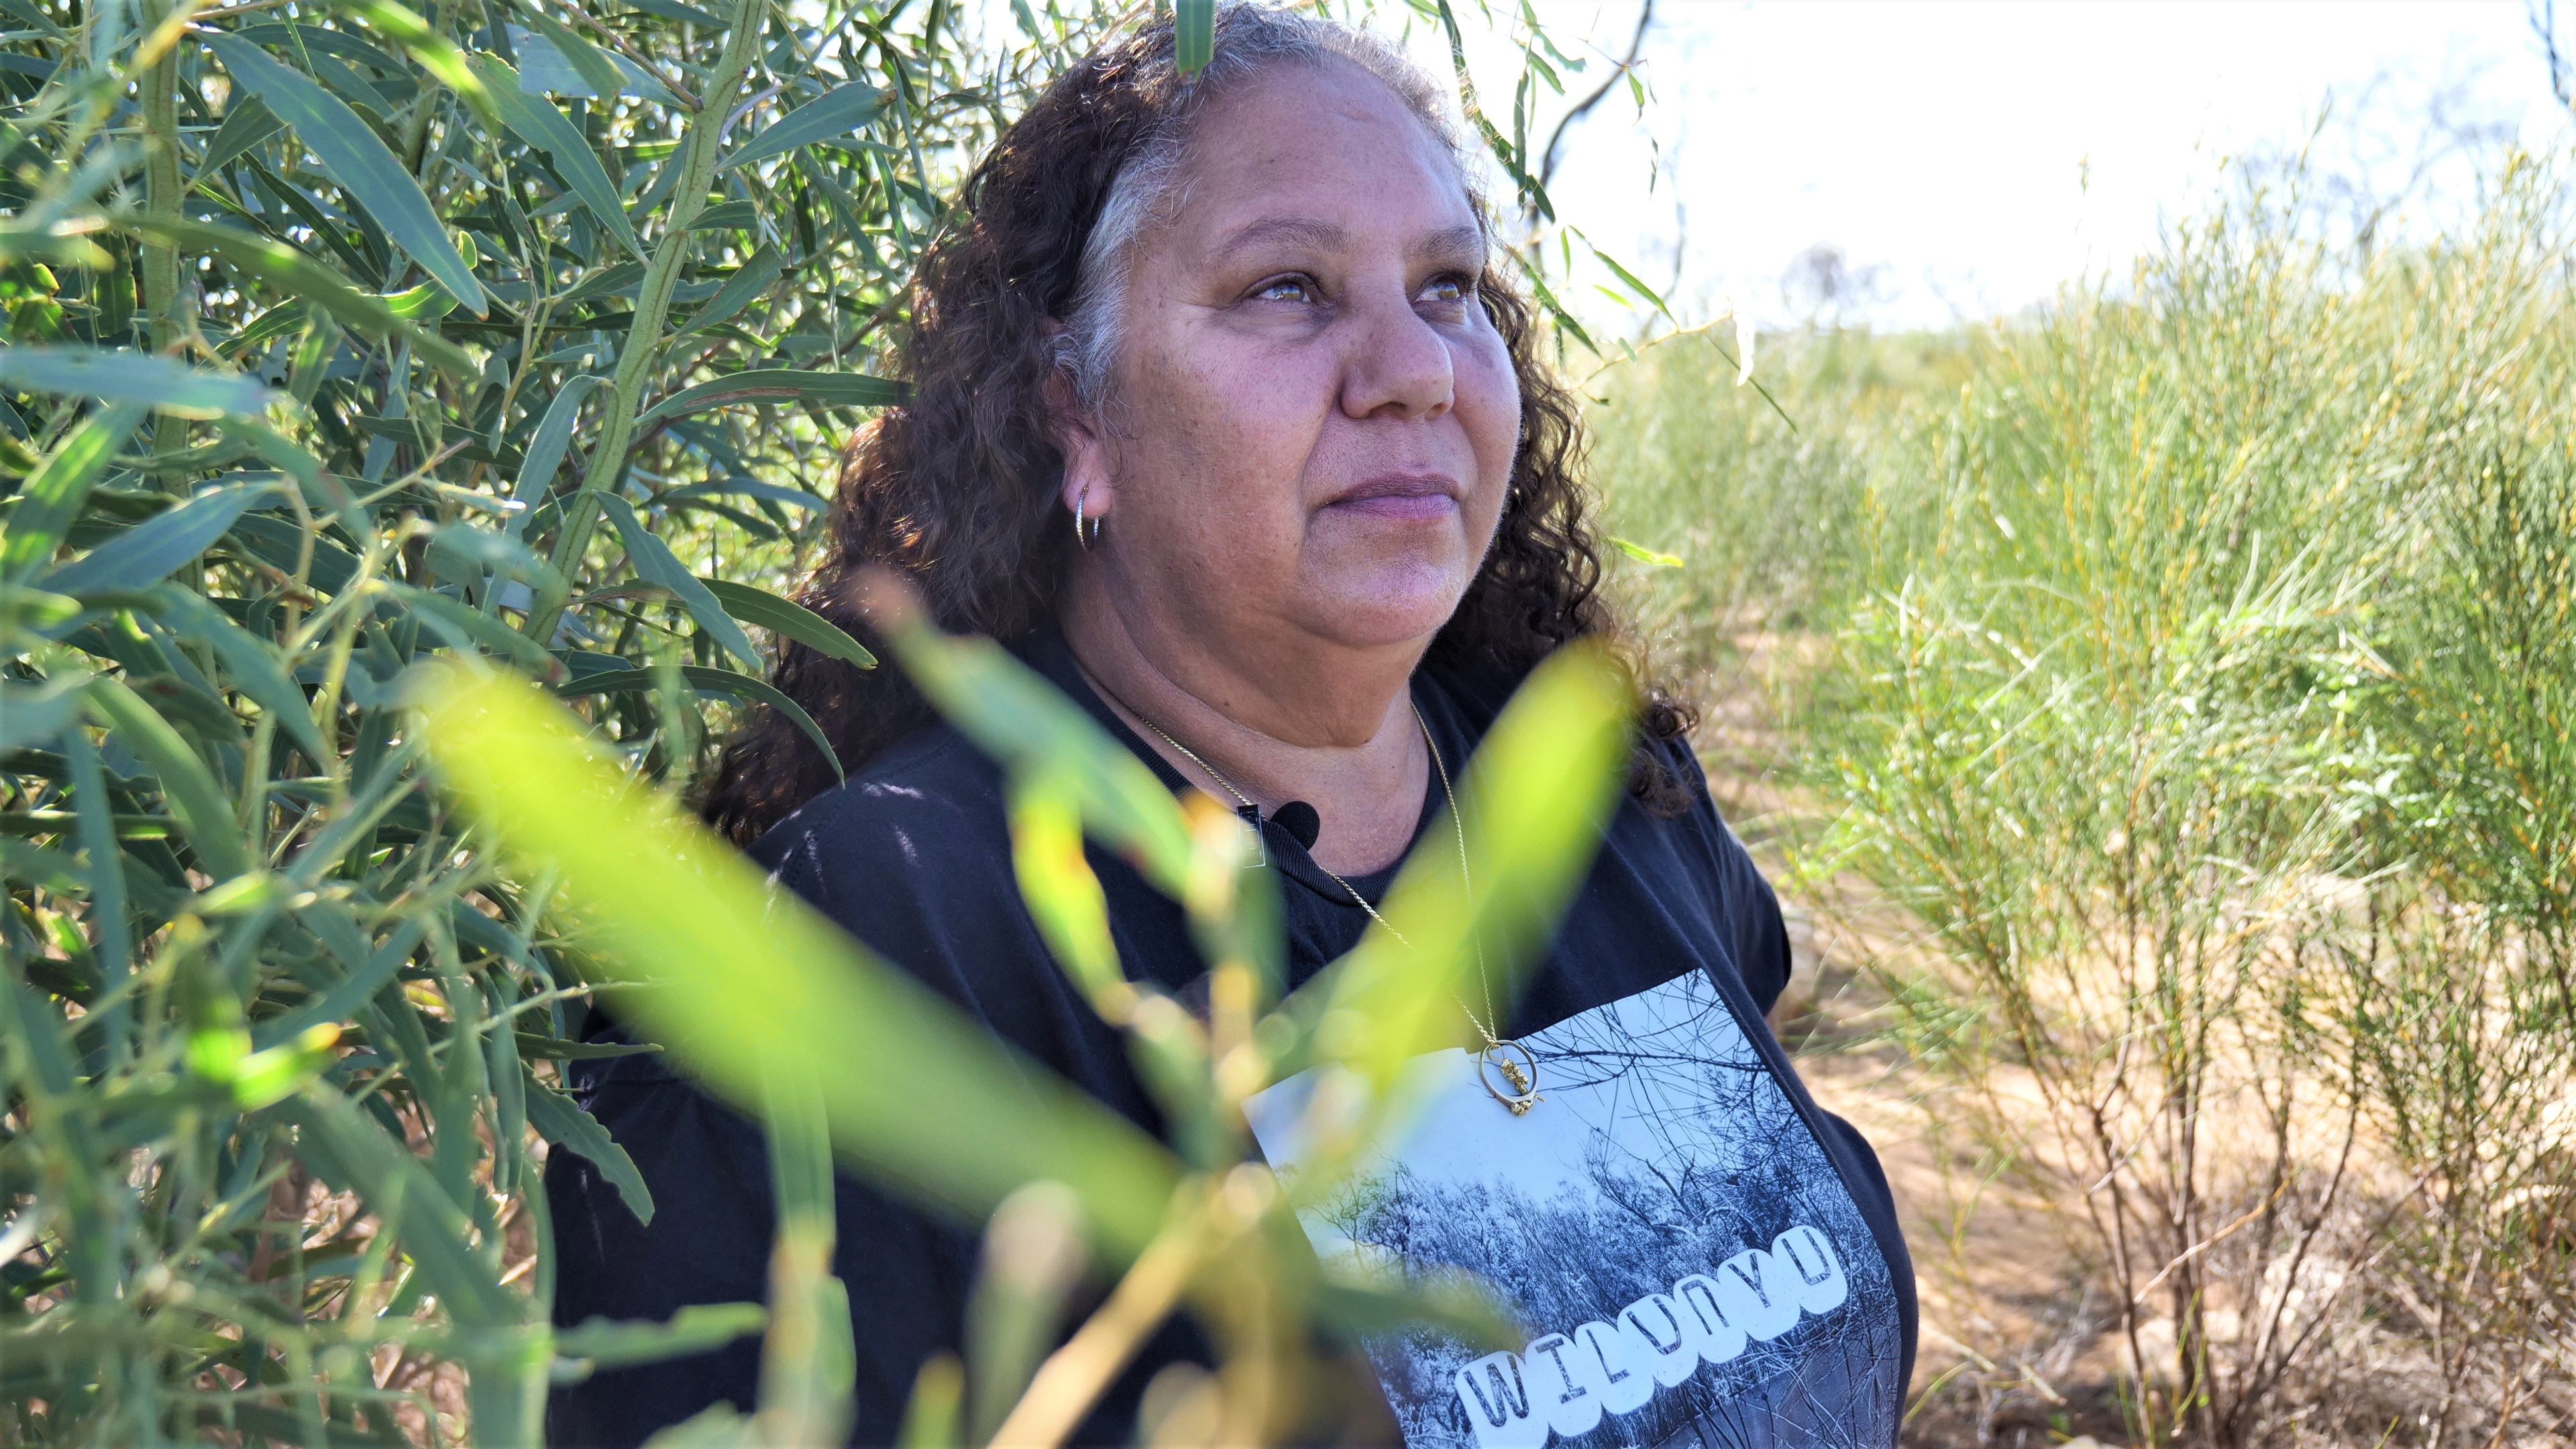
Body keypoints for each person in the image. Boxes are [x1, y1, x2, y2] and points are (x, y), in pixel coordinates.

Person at [544, 6, 1915, 1446]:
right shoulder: (863, 946)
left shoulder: (1596, 782)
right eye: (1286, 288)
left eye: (1450, 287)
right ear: (1073, 407)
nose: (1416, 368)